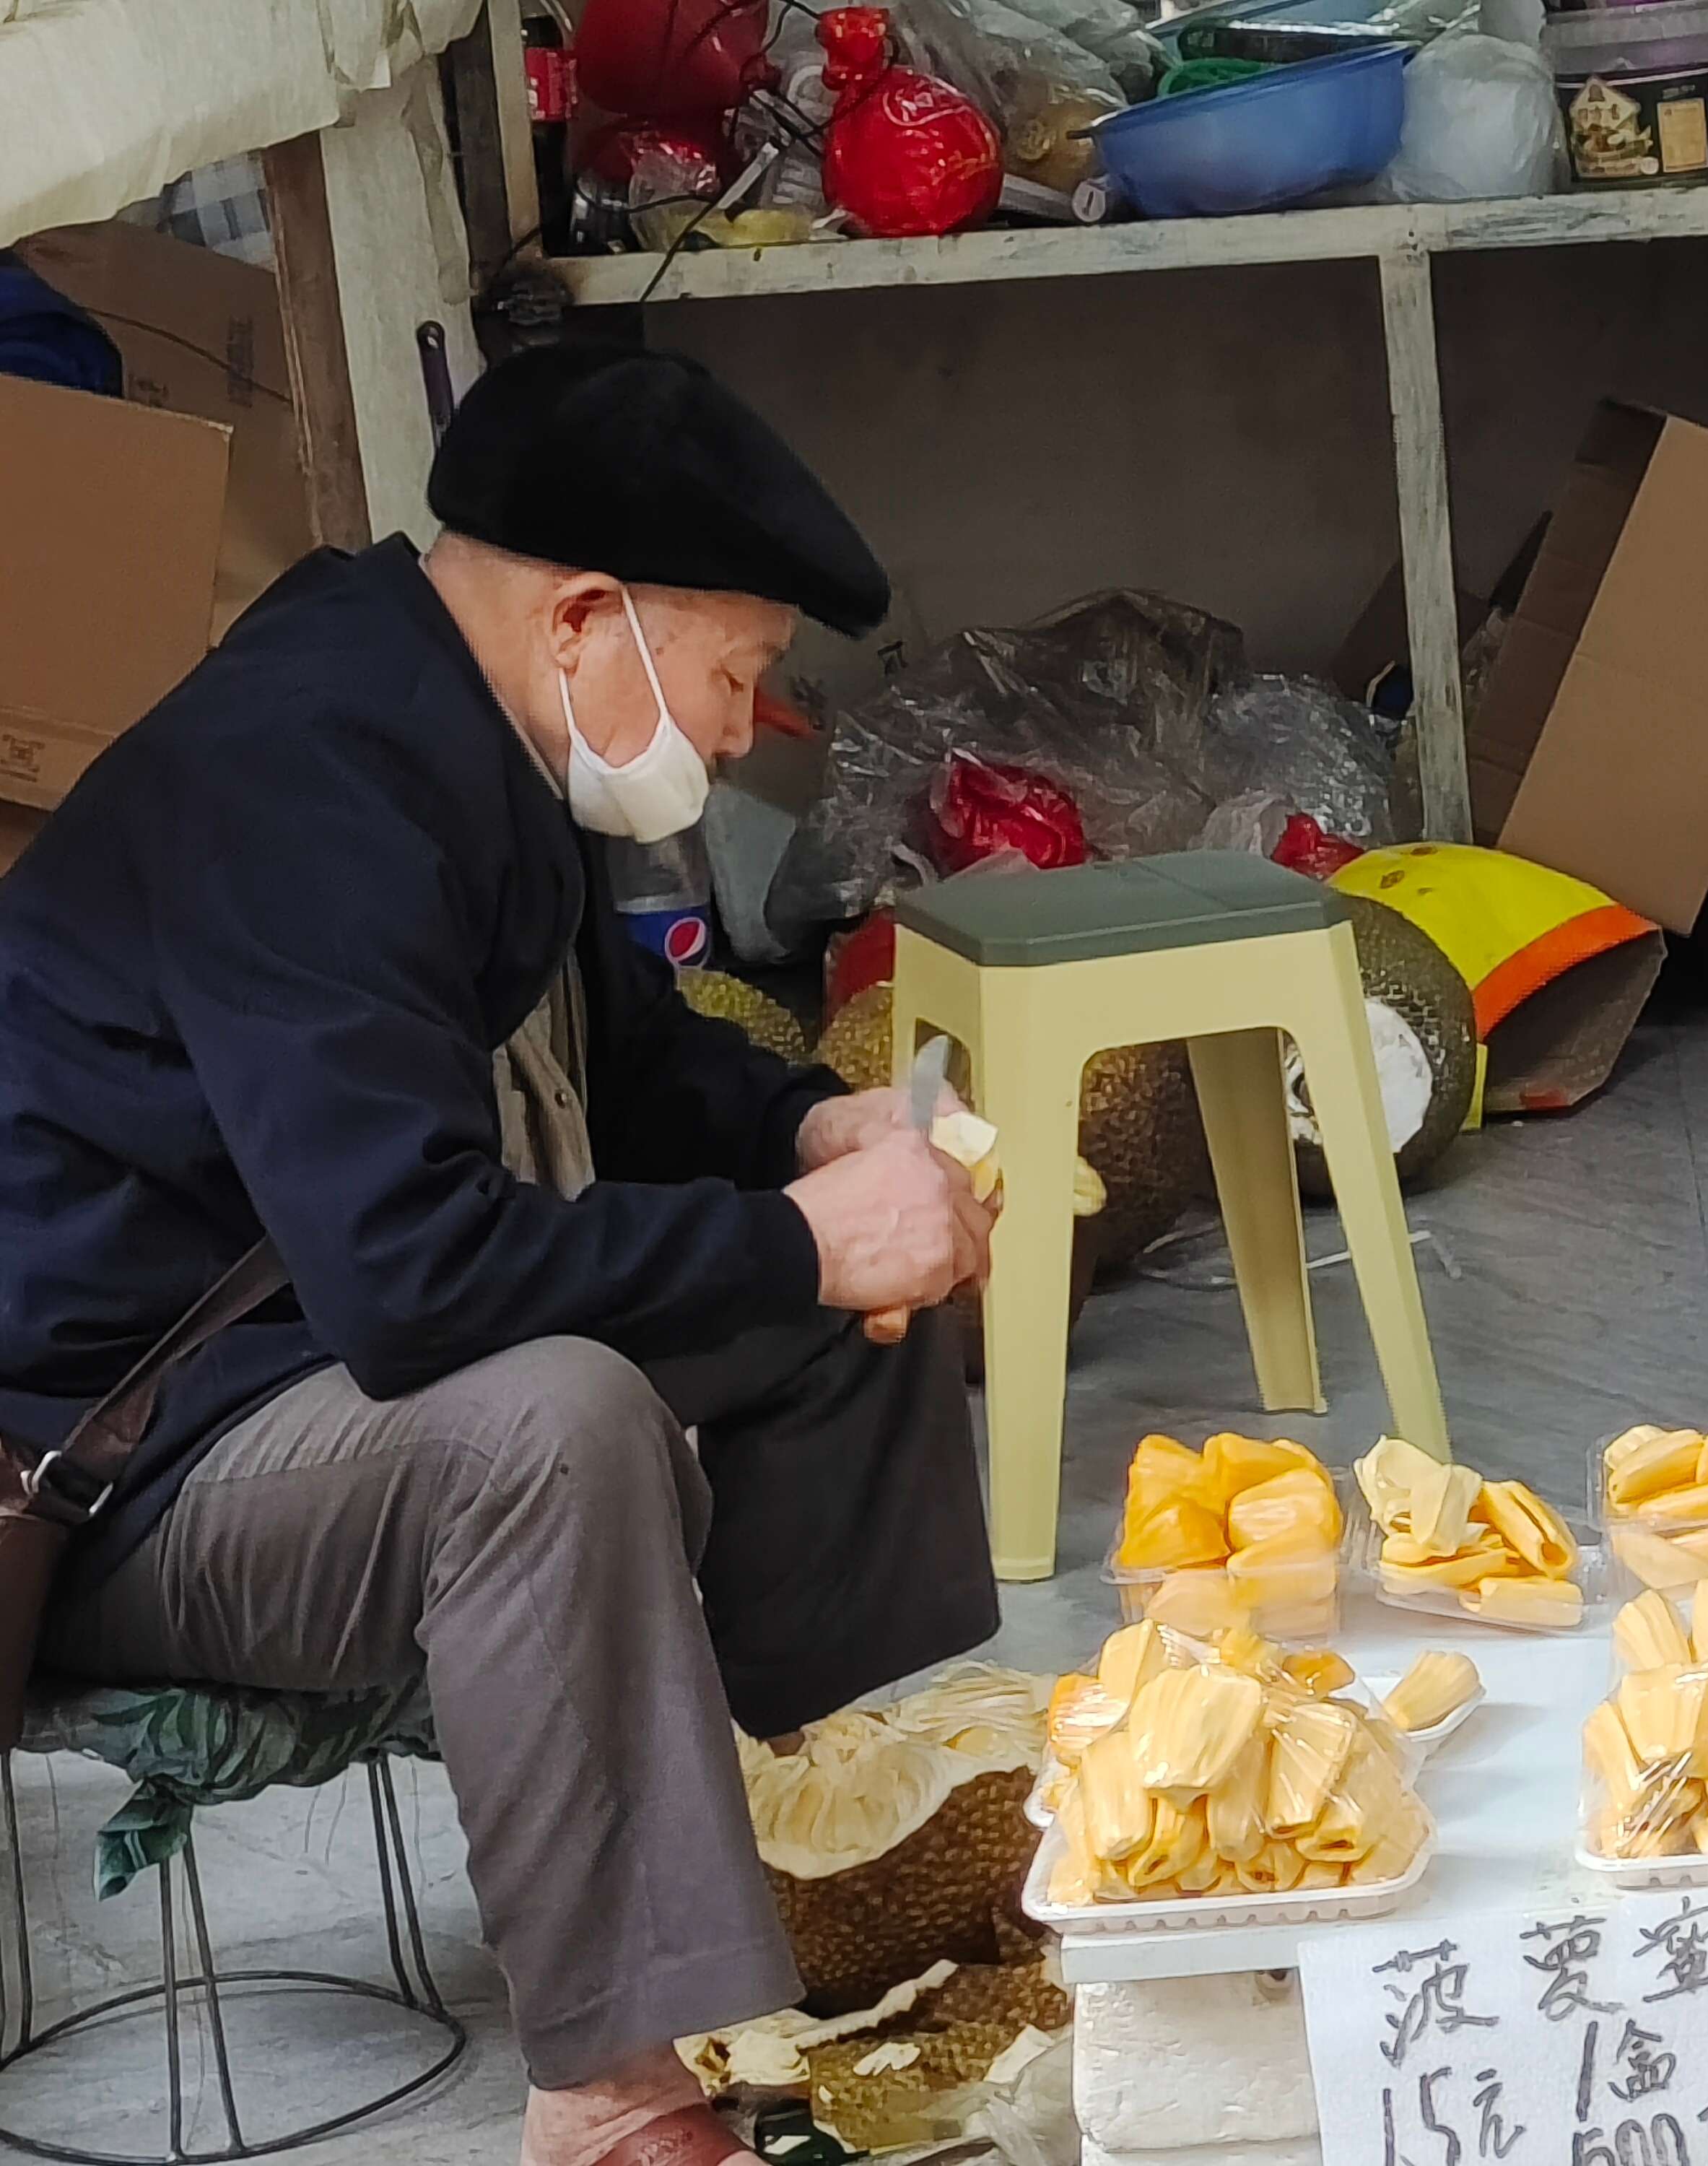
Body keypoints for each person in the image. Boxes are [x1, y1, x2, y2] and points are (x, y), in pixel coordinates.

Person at [0, 344, 994, 2166]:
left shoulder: (452, 725)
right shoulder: (304, 778)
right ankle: (609, 2094)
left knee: (871, 1302)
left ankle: (817, 1870)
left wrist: (804, 1138)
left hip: (305, 1372)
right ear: (587, 619)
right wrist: (788, 1241)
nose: (721, 734)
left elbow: (623, 1038)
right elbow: (413, 1283)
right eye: (732, 677)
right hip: (133, 1461)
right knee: (553, 1425)